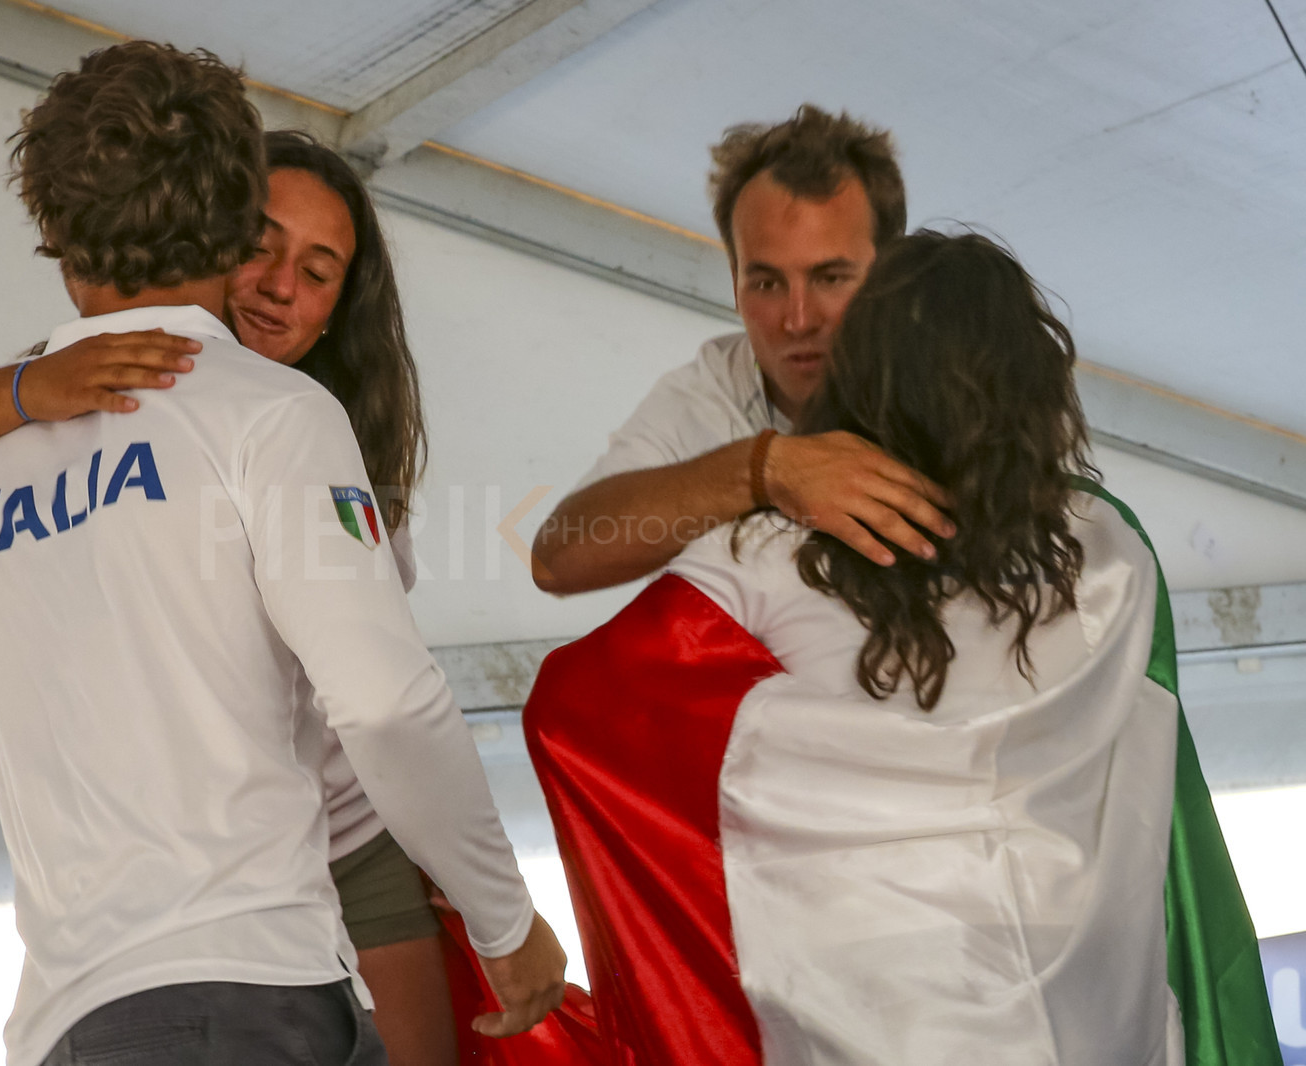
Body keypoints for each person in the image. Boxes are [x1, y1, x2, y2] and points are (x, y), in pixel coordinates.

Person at [0, 41, 564, 1066]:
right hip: (247, 988)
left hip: (65, 1024)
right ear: (232, 228)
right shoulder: (274, 414)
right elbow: (387, 702)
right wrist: (504, 921)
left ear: (50, 226)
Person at [521, 232, 1279, 1065]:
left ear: (858, 380)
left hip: (874, 1006)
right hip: (1090, 995)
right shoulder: (1105, 548)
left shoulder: (768, 559)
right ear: (1034, 382)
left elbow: (573, 698)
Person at [531, 105, 954, 594]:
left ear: (893, 275)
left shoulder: (969, 378)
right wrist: (762, 469)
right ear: (734, 284)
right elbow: (555, 562)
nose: (798, 319)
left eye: (831, 278)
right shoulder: (710, 391)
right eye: (767, 283)